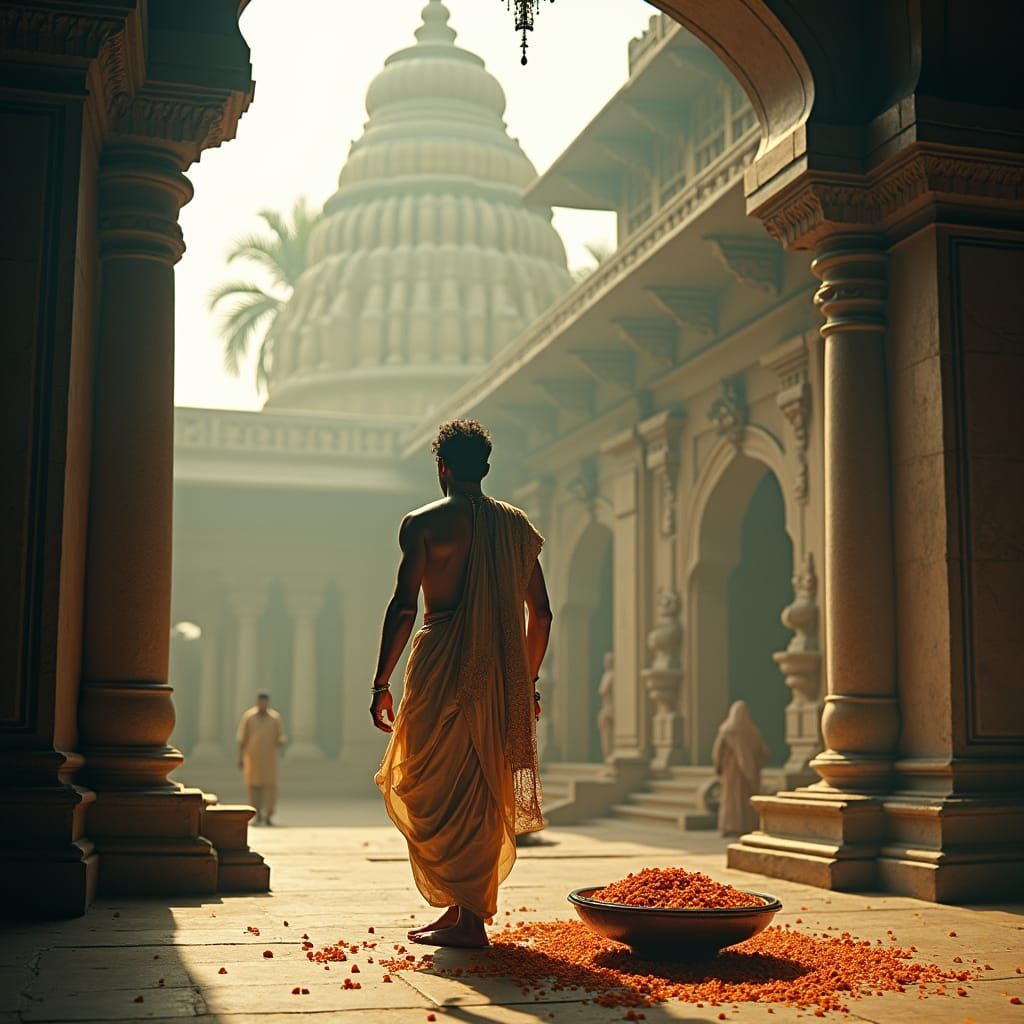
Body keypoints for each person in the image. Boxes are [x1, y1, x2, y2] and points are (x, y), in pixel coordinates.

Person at [371, 418, 552, 949]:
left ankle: (469, 920)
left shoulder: (423, 524)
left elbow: (405, 606)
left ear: (442, 467)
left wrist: (379, 681)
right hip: (498, 673)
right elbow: (540, 615)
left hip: (438, 664)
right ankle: (461, 910)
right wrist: (526, 680)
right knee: (480, 780)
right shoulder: (517, 528)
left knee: (431, 781)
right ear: (487, 468)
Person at [711, 699, 769, 836]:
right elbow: (763, 751)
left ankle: (729, 827)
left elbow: (717, 752)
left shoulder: (725, 730)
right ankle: (747, 826)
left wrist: (718, 767)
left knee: (730, 802)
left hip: (730, 773)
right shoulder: (753, 731)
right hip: (748, 775)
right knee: (745, 802)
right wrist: (753, 765)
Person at [236, 692, 287, 825]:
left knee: (270, 788)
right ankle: (257, 814)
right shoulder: (249, 717)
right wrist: (240, 758)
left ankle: (268, 815)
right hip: (253, 759)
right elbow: (242, 739)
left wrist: (280, 742)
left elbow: (280, 735)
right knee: (253, 788)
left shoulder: (274, 718)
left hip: (269, 759)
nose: (262, 705)